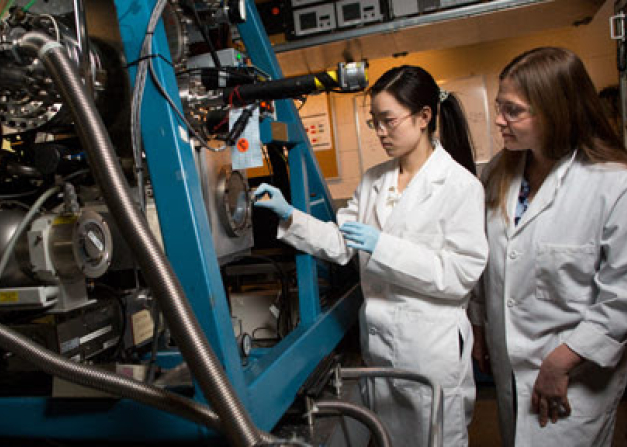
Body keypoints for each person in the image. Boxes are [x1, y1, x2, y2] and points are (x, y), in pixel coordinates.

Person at [254, 65, 488, 447]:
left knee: (435, 439)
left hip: (430, 348)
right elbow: (341, 243)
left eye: (388, 121)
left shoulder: (460, 186)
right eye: (374, 122)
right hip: (378, 347)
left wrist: (383, 246)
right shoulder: (373, 179)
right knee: (388, 438)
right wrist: (290, 216)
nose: (380, 132)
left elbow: (459, 274)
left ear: (425, 116)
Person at [470, 47, 627, 446]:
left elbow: (620, 298)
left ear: (557, 110)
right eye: (499, 107)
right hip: (510, 369)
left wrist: (561, 361)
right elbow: (487, 263)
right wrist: (480, 328)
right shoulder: (500, 174)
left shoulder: (611, 185)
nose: (499, 122)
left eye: (513, 111)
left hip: (577, 376)